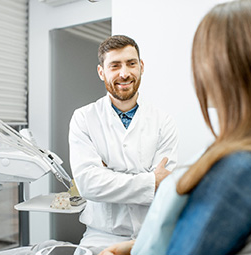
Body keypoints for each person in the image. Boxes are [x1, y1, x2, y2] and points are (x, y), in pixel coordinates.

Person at [99, 0, 251, 254]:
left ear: (223, 70)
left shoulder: (239, 172)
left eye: (201, 57)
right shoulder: (250, 155)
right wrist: (136, 247)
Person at [68, 35, 179, 254]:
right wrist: (149, 180)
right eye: (115, 66)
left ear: (141, 67)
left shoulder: (163, 121)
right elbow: (89, 184)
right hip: (101, 237)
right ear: (102, 72)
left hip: (152, 232)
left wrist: (109, 176)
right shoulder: (84, 118)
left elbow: (165, 185)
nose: (124, 73)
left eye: (131, 63)